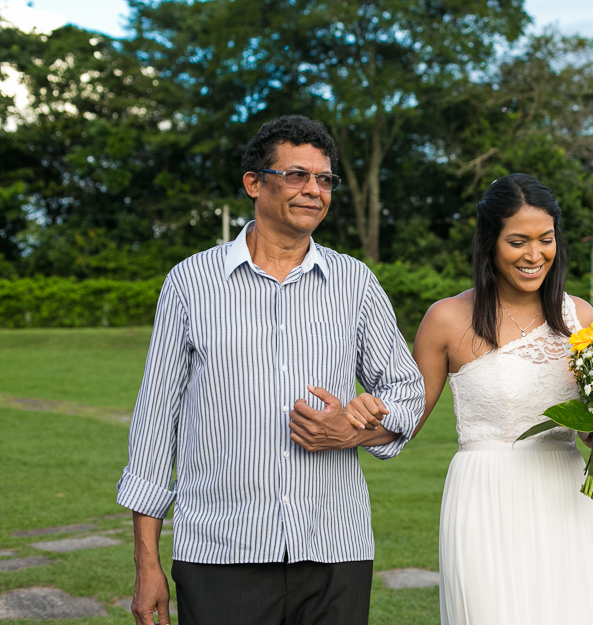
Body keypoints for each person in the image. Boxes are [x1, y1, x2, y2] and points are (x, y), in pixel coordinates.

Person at [116, 115, 425, 625]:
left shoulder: (355, 282)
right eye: (297, 175)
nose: (314, 190)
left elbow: (407, 391)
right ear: (254, 183)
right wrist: (146, 561)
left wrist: (354, 431)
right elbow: (154, 425)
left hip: (335, 548)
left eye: (324, 179)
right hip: (221, 550)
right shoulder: (191, 283)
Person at [412, 173, 593, 625]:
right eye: (518, 241)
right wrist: (349, 422)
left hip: (565, 496)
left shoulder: (581, 316)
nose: (534, 255)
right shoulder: (447, 319)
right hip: (485, 495)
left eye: (545, 240)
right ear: (490, 242)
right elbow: (406, 416)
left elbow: (587, 419)